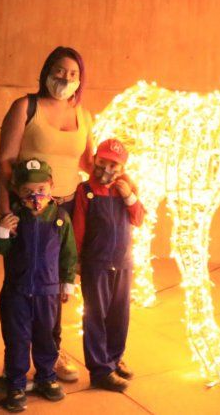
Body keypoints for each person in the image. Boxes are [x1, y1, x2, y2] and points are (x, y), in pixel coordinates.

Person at [0, 46, 93, 382]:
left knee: (56, 287)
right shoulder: (26, 107)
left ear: (81, 79)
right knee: (20, 286)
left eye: (73, 74)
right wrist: (5, 214)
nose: (65, 78)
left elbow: (89, 163)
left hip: (65, 210)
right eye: (59, 71)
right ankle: (16, 360)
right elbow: (5, 162)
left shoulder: (85, 116)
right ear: (47, 71)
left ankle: (51, 357)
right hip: (29, 210)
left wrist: (122, 174)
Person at [0, 158, 77, 413]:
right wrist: (2, 231)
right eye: (28, 191)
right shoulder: (14, 217)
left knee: (46, 338)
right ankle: (17, 383)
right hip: (17, 292)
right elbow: (2, 249)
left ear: (51, 187)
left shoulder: (60, 218)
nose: (35, 195)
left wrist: (67, 282)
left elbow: (68, 253)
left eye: (41, 189)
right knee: (17, 338)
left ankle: (46, 377)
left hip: (47, 292)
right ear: (18, 191)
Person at [70, 138, 144, 392]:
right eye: (102, 162)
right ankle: (100, 369)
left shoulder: (126, 187)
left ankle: (114, 358)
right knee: (95, 316)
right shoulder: (85, 191)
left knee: (119, 314)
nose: (107, 170)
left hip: (122, 262)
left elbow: (139, 219)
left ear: (122, 168)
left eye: (114, 165)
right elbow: (78, 229)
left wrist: (129, 197)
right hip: (96, 264)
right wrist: (76, 261)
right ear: (95, 160)